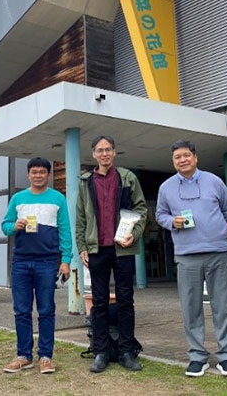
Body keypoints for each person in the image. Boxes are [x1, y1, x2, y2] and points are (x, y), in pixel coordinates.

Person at [155, 140, 227, 377]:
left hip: (218, 252)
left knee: (223, 306)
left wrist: (219, 231)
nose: (182, 160)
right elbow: (160, 214)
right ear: (173, 162)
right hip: (186, 255)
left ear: (195, 157)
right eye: (177, 158)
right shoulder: (166, 187)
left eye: (186, 156)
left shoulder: (214, 181)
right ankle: (197, 356)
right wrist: (171, 222)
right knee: (190, 307)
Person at [75, 135, 147, 373]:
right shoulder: (85, 182)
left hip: (123, 248)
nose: (104, 153)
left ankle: (126, 351)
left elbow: (141, 209)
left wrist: (134, 235)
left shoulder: (127, 178)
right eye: (100, 150)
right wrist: (82, 247)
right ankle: (101, 351)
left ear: (114, 152)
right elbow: (81, 218)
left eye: (108, 150)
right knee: (99, 302)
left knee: (126, 300)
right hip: (97, 249)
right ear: (94, 154)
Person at [1, 158, 72, 375]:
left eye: (42, 172)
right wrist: (15, 225)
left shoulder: (58, 198)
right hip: (21, 261)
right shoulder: (18, 199)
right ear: (28, 174)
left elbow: (65, 231)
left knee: (46, 311)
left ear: (48, 175)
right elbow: (5, 226)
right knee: (21, 311)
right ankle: (24, 356)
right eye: (34, 172)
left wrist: (66, 260)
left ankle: (45, 356)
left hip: (48, 261)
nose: (38, 175)